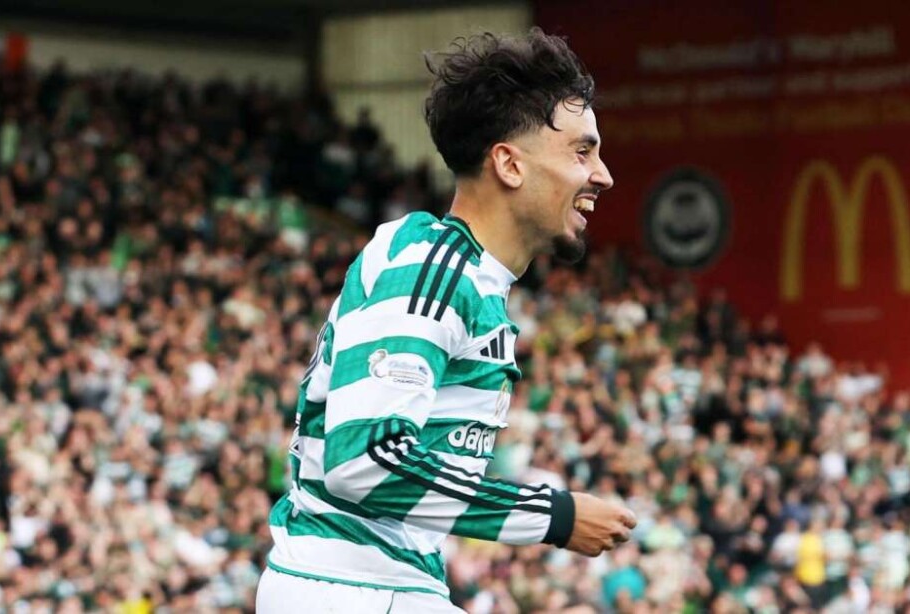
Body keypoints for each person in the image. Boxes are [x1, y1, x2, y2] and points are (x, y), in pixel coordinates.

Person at [256, 28, 631, 613]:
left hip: (385, 586)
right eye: (582, 152)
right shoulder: (432, 265)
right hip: (354, 590)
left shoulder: (470, 280)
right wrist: (553, 516)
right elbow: (363, 460)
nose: (602, 175)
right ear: (509, 164)